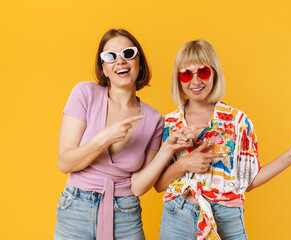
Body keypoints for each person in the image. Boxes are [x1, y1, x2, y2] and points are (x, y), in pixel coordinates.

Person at [155, 39, 291, 240]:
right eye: (186, 74)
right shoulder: (169, 123)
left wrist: (288, 158)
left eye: (203, 72)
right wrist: (184, 164)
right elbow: (159, 185)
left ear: (215, 73)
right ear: (178, 79)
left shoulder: (237, 121)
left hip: (226, 217)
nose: (196, 81)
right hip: (177, 217)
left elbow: (247, 181)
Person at [54, 29, 194, 240]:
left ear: (139, 62)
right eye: (110, 56)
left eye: (128, 53)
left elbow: (138, 186)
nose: (120, 61)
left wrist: (168, 148)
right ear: (104, 68)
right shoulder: (85, 94)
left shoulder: (154, 118)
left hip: (125, 213)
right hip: (75, 209)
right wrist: (104, 138)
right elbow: (65, 163)